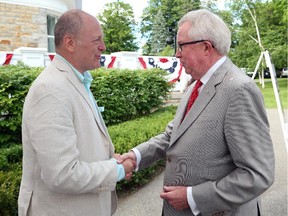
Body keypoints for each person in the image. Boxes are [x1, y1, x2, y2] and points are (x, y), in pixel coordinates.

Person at [119, 9, 275, 216]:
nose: (176, 53)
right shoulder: (195, 86)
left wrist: (194, 198)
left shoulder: (239, 89)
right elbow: (172, 136)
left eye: (181, 45)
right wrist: (135, 156)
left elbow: (258, 174)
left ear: (206, 47)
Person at [18, 9, 135, 216]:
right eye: (96, 40)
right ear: (70, 43)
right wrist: (116, 170)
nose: (103, 46)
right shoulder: (51, 89)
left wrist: (110, 160)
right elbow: (62, 174)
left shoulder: (76, 81)